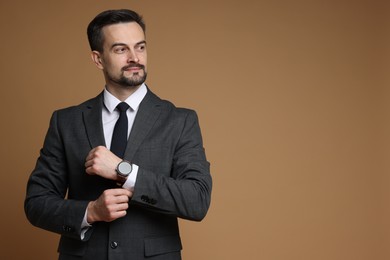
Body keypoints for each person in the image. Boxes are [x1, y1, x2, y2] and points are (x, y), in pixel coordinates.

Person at [24, 9, 212, 260]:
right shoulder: (66, 122)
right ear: (98, 58)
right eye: (121, 49)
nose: (135, 58)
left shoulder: (180, 120)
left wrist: (124, 171)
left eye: (141, 47)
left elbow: (196, 200)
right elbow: (36, 203)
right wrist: (90, 212)